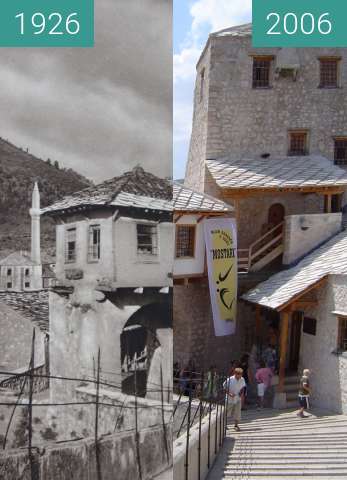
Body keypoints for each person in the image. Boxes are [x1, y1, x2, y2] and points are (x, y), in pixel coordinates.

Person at [223, 367, 246, 432]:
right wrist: (229, 393)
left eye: (241, 374)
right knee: (227, 412)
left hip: (238, 398)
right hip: (229, 398)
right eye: (238, 374)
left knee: (237, 412)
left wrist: (241, 394)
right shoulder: (229, 379)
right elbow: (224, 387)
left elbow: (243, 387)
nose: (239, 376)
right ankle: (224, 425)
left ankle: (236, 425)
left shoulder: (242, 379)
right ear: (235, 374)